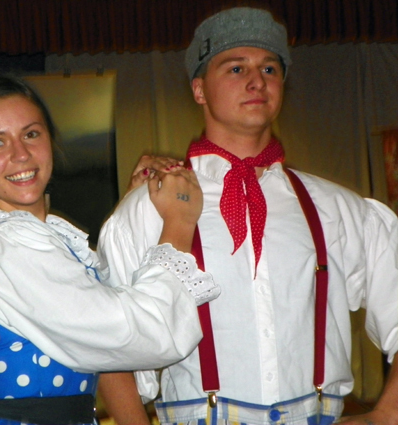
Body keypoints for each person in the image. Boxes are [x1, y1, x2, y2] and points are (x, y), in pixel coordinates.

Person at [97, 6, 398, 425]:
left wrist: (387, 413)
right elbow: (113, 352)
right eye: (236, 68)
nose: (258, 80)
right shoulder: (148, 208)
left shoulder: (336, 208)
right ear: (199, 89)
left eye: (270, 68)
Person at [0, 73, 221, 425]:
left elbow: (94, 308)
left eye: (31, 134)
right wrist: (178, 223)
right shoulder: (8, 245)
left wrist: (132, 208)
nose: (20, 154)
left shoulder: (26, 238)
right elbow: (137, 335)